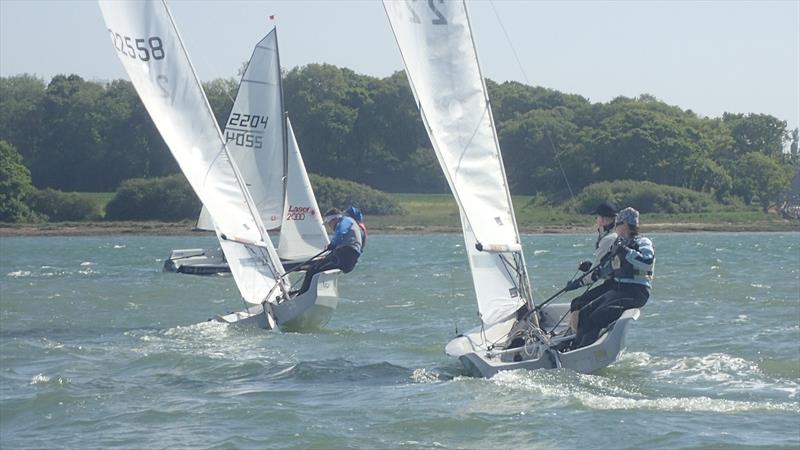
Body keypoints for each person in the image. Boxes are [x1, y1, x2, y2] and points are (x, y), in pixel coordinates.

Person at [572, 207, 655, 349]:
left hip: (635, 292)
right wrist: (590, 270)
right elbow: (608, 268)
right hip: (618, 290)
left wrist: (626, 251)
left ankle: (583, 351)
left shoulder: (643, 242)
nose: (615, 228)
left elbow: (647, 261)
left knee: (596, 318)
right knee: (585, 313)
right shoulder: (619, 243)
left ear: (626, 225)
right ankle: (576, 345)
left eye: (617, 224)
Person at [564, 201, 619, 333]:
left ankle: (574, 339)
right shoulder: (611, 237)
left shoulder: (608, 239)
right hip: (614, 283)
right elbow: (603, 264)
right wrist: (589, 266)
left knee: (577, 303)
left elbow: (596, 273)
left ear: (605, 220)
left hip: (612, 284)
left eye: (598, 217)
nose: (597, 220)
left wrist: (578, 283)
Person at [295, 207, 363, 294]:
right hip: (349, 258)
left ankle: (302, 294)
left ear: (334, 219)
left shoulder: (345, 220)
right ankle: (309, 292)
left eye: (329, 223)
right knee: (316, 269)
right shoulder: (352, 223)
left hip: (345, 254)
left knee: (312, 270)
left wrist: (332, 244)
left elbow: (341, 232)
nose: (330, 226)